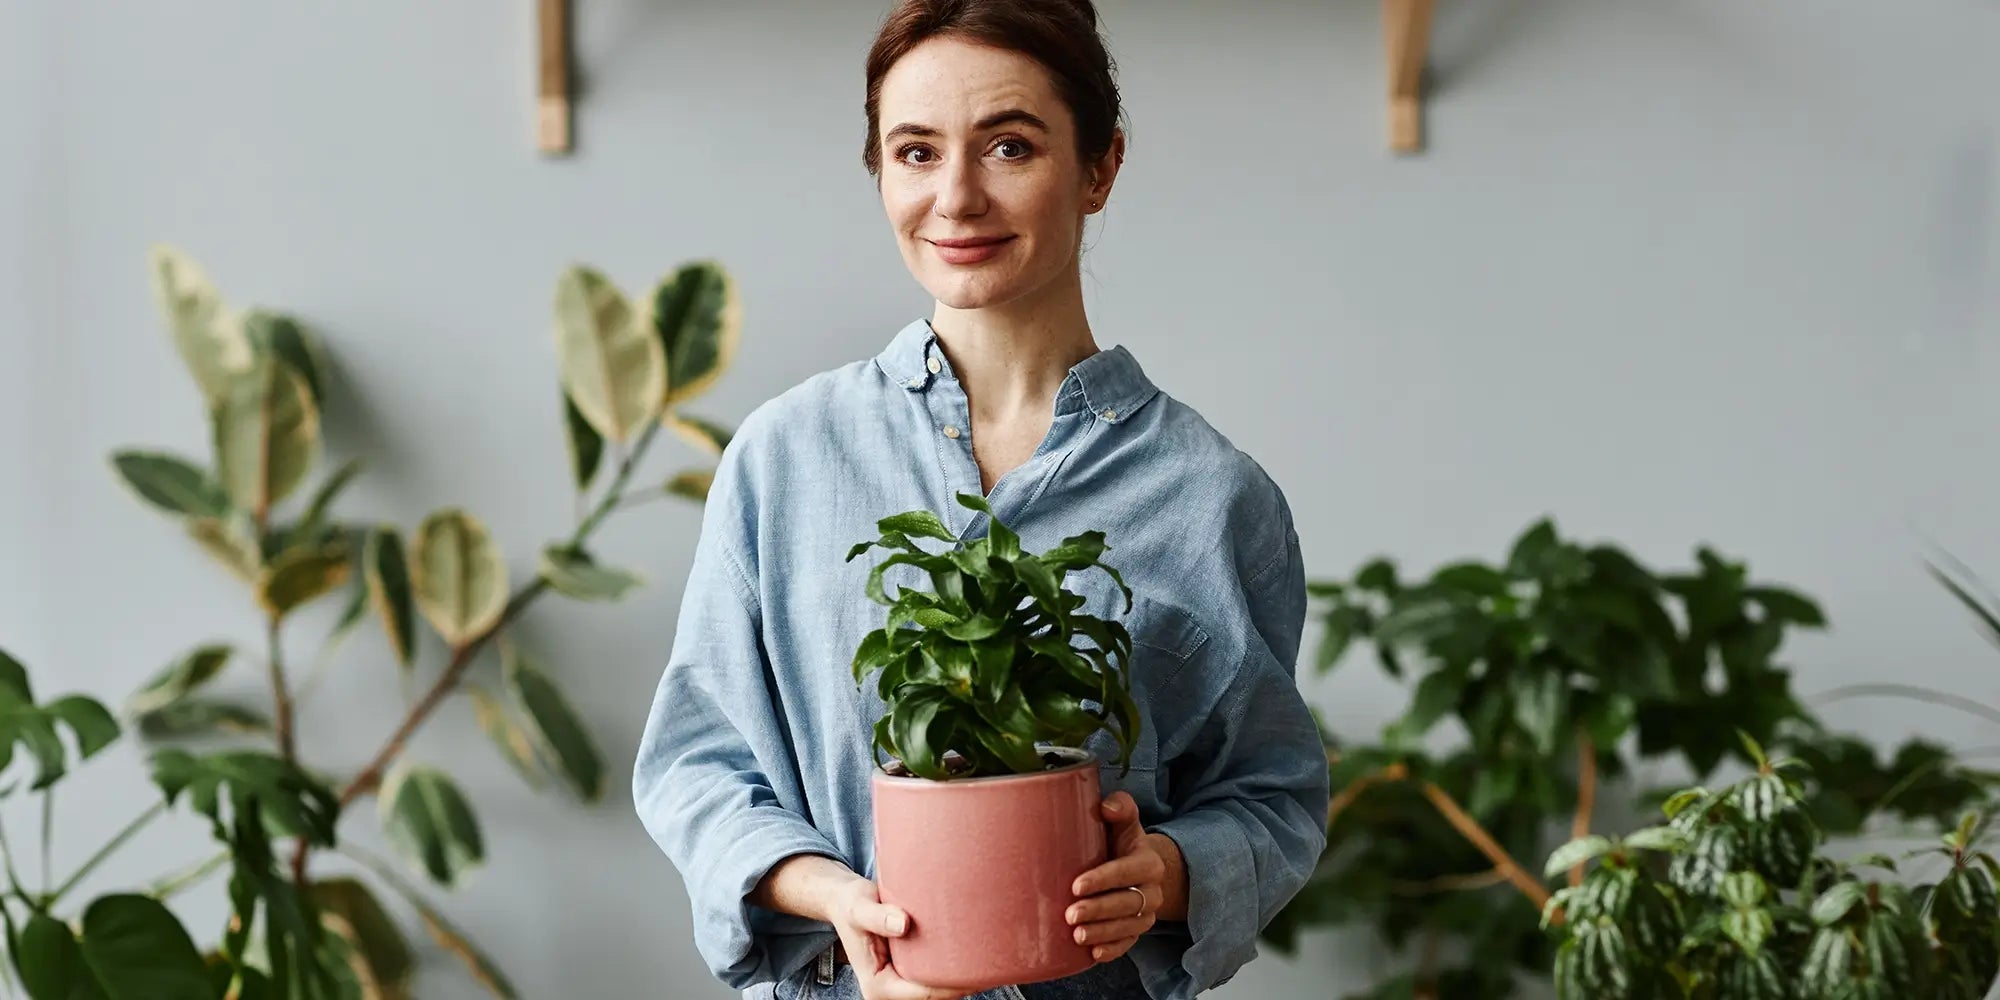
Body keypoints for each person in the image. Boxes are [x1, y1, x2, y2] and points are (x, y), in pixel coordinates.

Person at [631, 1, 1329, 997]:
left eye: (1008, 145)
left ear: (1099, 166)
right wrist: (833, 896)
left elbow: (1271, 795)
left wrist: (1164, 875)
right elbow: (696, 765)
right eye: (914, 152)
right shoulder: (783, 458)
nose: (955, 199)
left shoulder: (1213, 495)